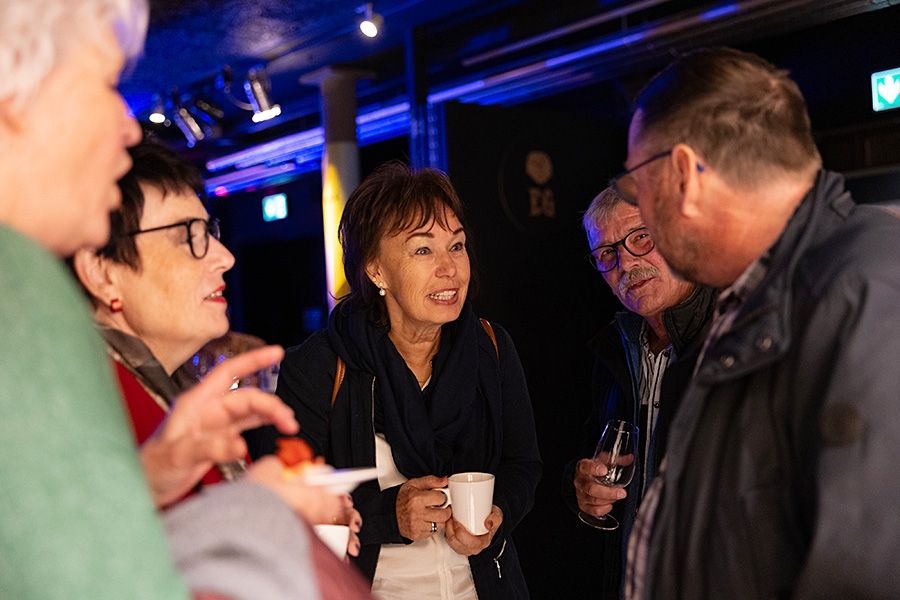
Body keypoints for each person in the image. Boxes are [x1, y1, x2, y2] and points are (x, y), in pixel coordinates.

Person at [0, 2, 365, 599]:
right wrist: (263, 516)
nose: (127, 126)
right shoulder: (25, 307)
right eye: (103, 83)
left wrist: (152, 477)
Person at [617, 47, 900, 600]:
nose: (641, 210)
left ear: (684, 175)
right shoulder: (759, 297)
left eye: (637, 187)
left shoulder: (864, 293)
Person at [268, 161, 542, 598]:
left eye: (456, 246)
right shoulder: (320, 366)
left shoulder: (490, 347)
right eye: (422, 251)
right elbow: (284, 502)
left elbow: (522, 464)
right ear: (376, 270)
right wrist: (387, 515)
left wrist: (498, 514)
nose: (450, 268)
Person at [71, 139, 361, 535]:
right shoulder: (81, 406)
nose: (225, 257)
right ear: (103, 274)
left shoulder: (172, 393)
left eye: (210, 231)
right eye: (187, 236)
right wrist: (261, 513)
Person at [562, 186, 715, 599]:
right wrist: (581, 484)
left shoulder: (739, 337)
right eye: (607, 253)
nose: (626, 263)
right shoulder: (617, 346)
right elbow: (593, 449)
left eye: (642, 237)